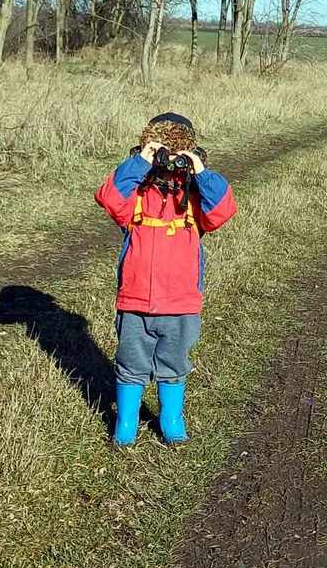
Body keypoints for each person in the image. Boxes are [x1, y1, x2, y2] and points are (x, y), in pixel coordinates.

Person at [94, 112, 237, 447]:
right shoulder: (136, 194)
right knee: (131, 361)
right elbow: (109, 197)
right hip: (136, 300)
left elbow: (222, 210)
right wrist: (140, 162)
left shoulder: (194, 196)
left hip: (180, 302)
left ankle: (171, 419)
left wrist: (200, 171)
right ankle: (126, 422)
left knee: (174, 361)